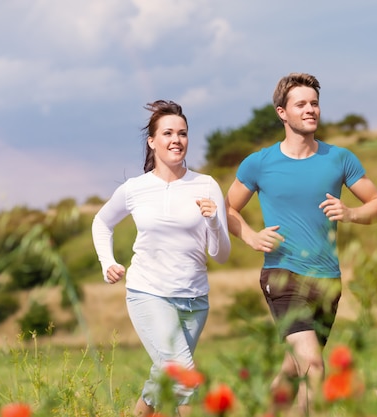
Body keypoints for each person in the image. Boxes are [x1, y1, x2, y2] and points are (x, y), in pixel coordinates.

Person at [224, 72, 377, 415]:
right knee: (313, 366)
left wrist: (350, 212)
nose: (310, 109)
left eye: (314, 103)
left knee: (292, 369)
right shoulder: (259, 163)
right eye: (301, 104)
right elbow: (227, 209)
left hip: (328, 280)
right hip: (282, 275)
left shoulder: (339, 158)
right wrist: (252, 236)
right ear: (282, 112)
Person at [91, 100, 231, 417]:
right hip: (148, 293)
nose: (176, 140)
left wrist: (212, 222)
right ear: (152, 141)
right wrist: (107, 262)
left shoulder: (207, 185)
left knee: (162, 381)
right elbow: (102, 222)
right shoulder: (135, 189)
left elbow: (221, 255)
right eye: (167, 133)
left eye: (182, 133)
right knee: (184, 378)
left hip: (195, 300)